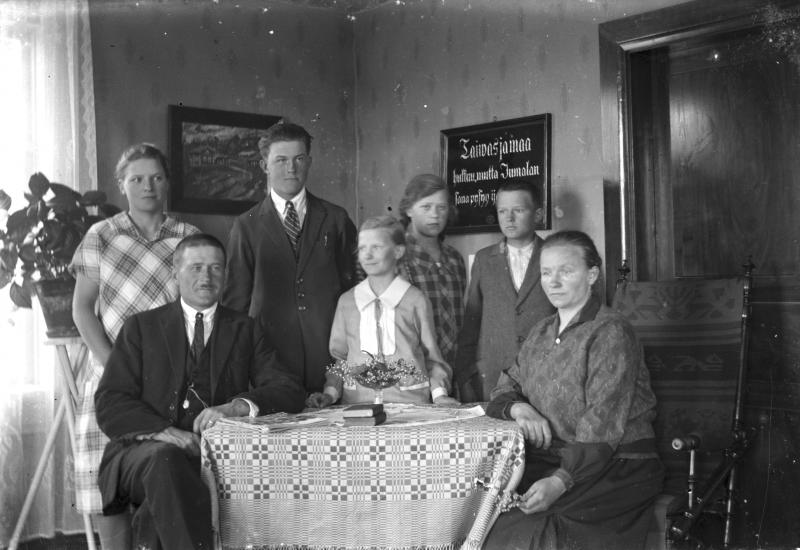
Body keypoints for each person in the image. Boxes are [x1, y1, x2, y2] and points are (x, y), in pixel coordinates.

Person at [94, 234, 305, 549]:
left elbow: (288, 388)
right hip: (142, 454)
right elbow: (110, 401)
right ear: (175, 272)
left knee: (167, 502)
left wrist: (236, 407)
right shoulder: (141, 327)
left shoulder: (245, 329)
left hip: (215, 456)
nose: (206, 277)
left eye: (215, 268)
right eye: (195, 267)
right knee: (166, 461)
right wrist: (165, 432)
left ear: (226, 275)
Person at [484, 230, 663, 550]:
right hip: (554, 460)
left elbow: (602, 424)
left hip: (617, 465)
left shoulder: (610, 332)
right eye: (546, 273)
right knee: (483, 515)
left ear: (592, 275)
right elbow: (504, 387)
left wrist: (560, 481)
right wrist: (519, 408)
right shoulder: (541, 332)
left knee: (534, 533)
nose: (553, 282)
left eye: (566, 271)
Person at [70, 143, 199, 548]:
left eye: (156, 177)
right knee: (108, 490)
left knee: (168, 482)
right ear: (121, 184)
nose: (148, 186)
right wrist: (114, 367)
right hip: (112, 378)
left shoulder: (188, 237)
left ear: (167, 183)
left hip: (171, 382)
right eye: (137, 179)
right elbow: (82, 309)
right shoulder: (102, 236)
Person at [223, 121, 358, 394]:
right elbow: (236, 303)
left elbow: (354, 292)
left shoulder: (336, 218)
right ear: (264, 166)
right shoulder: (246, 225)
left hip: (330, 356)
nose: (291, 168)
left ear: (309, 162)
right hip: (270, 360)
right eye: (281, 160)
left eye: (299, 159)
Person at [306, 216, 456, 407]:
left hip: (411, 406)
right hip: (358, 407)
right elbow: (341, 359)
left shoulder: (415, 300)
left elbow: (432, 358)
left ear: (398, 251)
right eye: (362, 248)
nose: (367, 255)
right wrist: (329, 393)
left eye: (376, 247)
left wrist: (440, 395)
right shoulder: (347, 302)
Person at [455, 181, 555, 402]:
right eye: (502, 211)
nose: (509, 218)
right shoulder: (484, 259)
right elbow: (471, 322)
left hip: (544, 372)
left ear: (538, 215)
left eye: (518, 210)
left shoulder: (553, 255)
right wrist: (465, 376)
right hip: (493, 375)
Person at [397, 174, 466, 372]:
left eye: (441, 207)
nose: (435, 215)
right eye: (426, 207)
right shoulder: (397, 257)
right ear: (409, 209)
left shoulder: (454, 259)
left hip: (452, 371)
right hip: (412, 372)